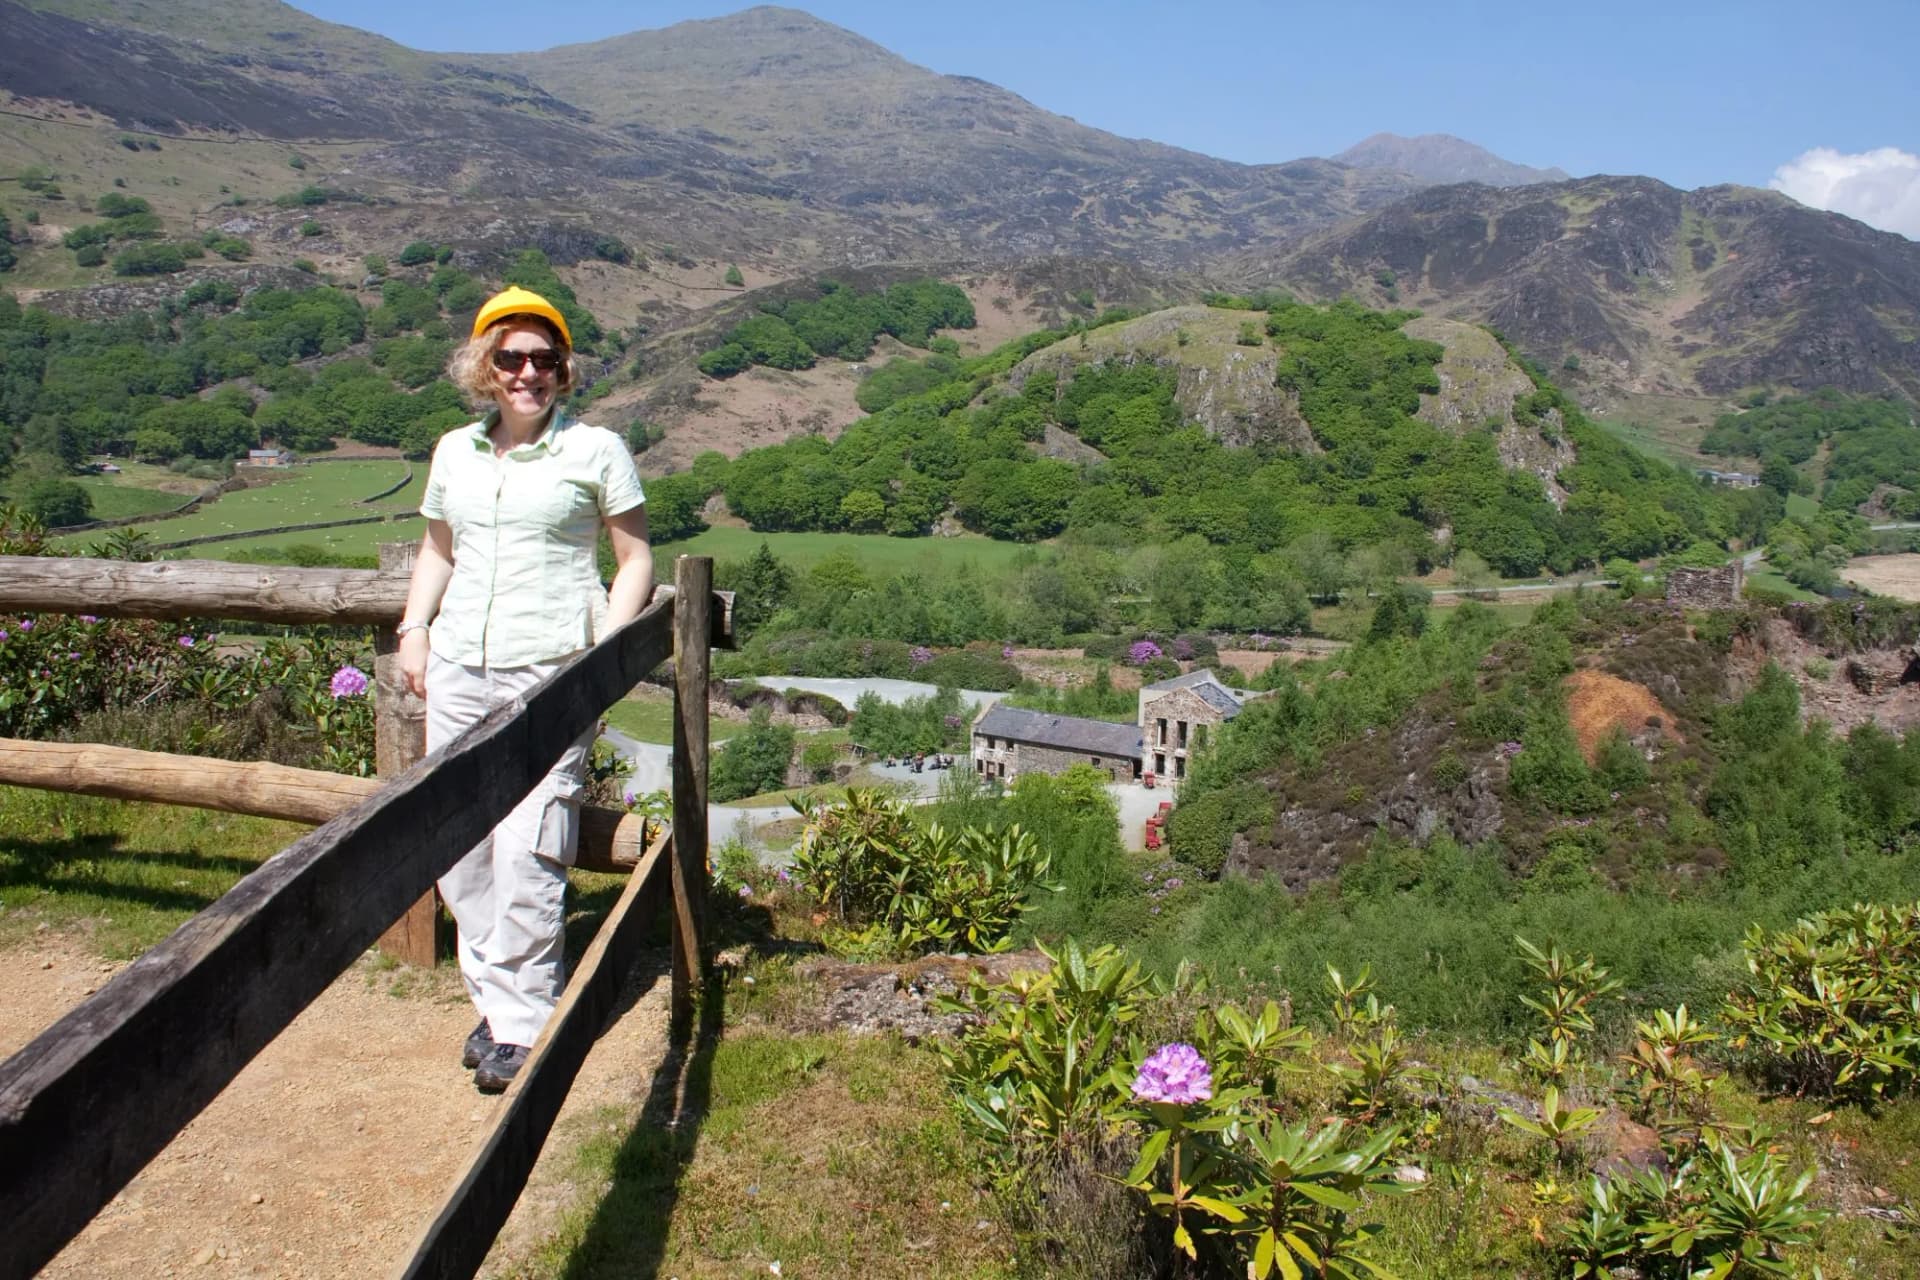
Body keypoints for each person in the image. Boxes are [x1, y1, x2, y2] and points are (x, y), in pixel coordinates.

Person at [396, 286, 653, 1093]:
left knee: (532, 841)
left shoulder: (597, 451)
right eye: (510, 357)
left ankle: (522, 1021)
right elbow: (437, 550)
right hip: (460, 669)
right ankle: (495, 997)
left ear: (563, 370)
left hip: (550, 671)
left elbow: (635, 558)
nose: (528, 373)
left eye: (545, 359)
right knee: (459, 843)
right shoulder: (454, 453)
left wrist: (604, 655)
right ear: (485, 365)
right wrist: (414, 629)